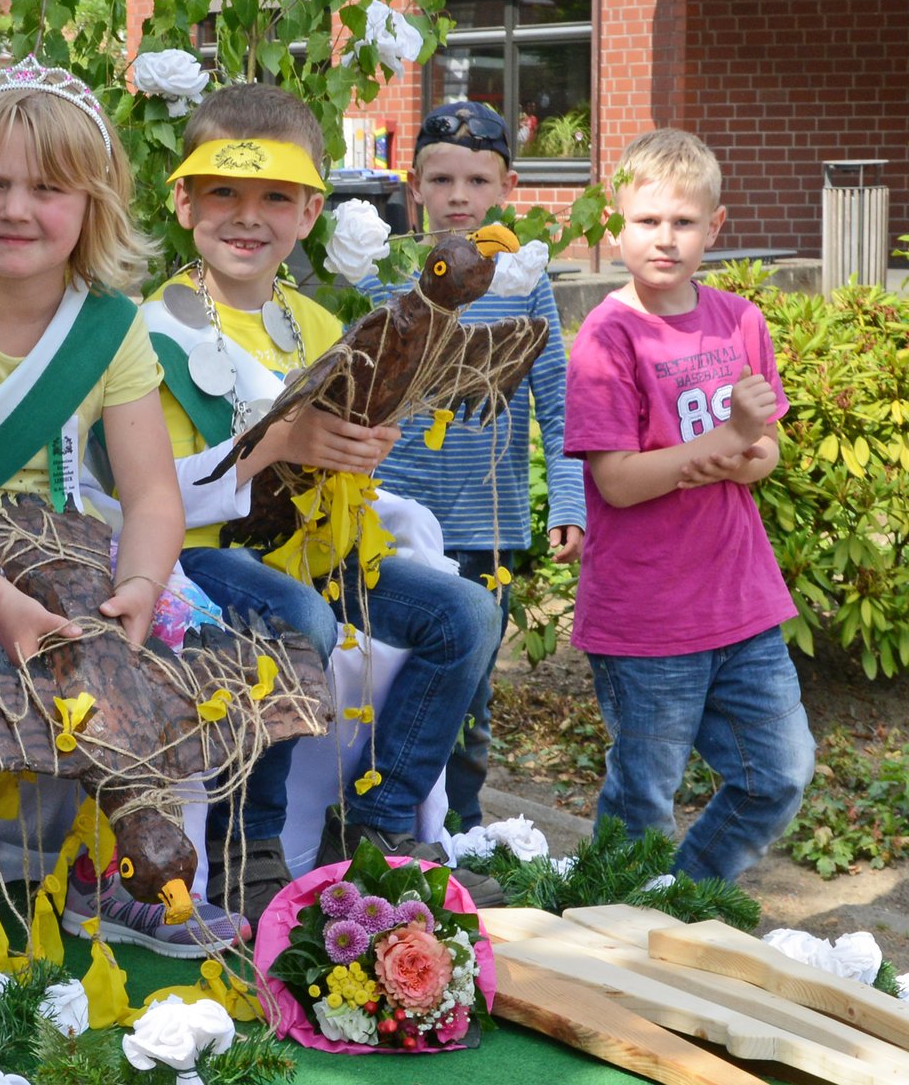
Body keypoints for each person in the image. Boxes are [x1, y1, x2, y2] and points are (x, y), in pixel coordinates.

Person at [0, 58, 239, 956]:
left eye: (48, 188)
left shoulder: (110, 324)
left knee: (186, 624)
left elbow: (150, 493)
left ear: (93, 207)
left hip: (67, 544)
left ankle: (135, 873)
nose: (17, 209)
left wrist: (142, 583)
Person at [147, 84, 502, 925]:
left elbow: (339, 446)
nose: (248, 217)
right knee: (298, 618)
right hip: (194, 558)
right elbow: (142, 490)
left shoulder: (313, 321)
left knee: (465, 615)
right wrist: (282, 444)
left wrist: (358, 450)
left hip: (313, 546)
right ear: (184, 202)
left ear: (310, 212)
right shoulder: (153, 325)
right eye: (223, 193)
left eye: (275, 197)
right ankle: (249, 843)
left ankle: (380, 826)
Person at [566, 128, 812, 881]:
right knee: (643, 800)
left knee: (780, 773)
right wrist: (727, 444)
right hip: (648, 616)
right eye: (646, 222)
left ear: (716, 226)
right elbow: (618, 482)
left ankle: (682, 904)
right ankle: (602, 928)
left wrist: (741, 450)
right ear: (616, 222)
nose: (664, 239)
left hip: (741, 602)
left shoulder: (740, 320)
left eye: (683, 222)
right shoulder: (607, 340)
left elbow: (764, 453)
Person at [357, 100, 584, 828]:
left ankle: (460, 827)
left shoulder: (522, 280)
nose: (460, 197)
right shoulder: (381, 273)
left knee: (470, 698)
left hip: (488, 525)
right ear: (412, 185)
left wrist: (571, 502)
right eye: (443, 179)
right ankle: (366, 817)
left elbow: (556, 397)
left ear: (507, 187)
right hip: (387, 522)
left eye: (478, 181)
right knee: (383, 679)